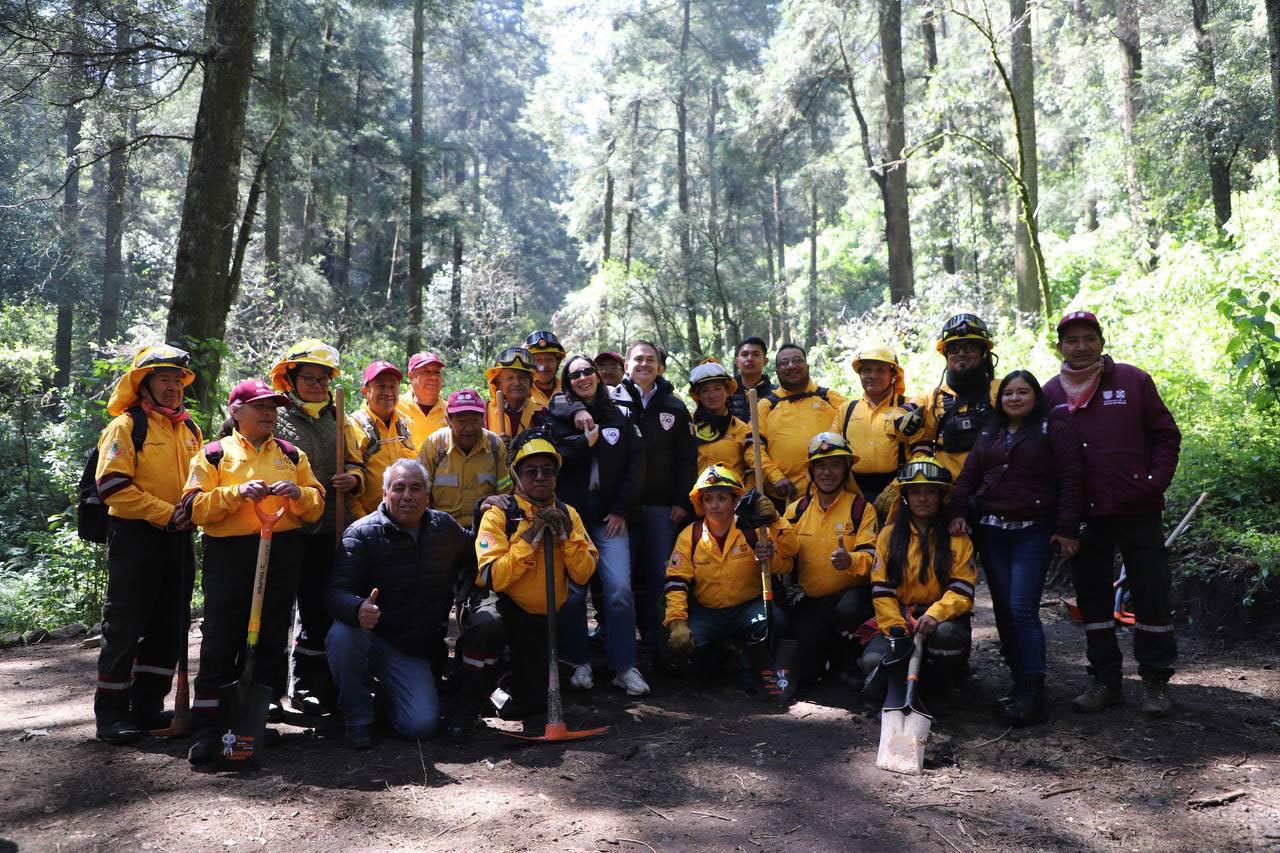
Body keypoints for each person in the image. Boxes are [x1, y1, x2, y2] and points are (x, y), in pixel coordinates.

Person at [1043, 310, 1182, 717]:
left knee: (1151, 592)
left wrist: (1154, 481)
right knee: (1093, 597)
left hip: (1138, 509)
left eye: (1089, 338)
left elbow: (1166, 434)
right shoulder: (1050, 393)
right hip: (1084, 516)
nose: (1081, 346)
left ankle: (1155, 681)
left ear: (1101, 342)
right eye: (1072, 340)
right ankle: (1105, 680)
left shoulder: (1133, 381)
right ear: (1061, 347)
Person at [184, 380, 325, 764]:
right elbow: (195, 508)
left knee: (271, 635)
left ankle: (254, 721)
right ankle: (206, 726)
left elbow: (316, 505)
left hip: (282, 551)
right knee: (221, 635)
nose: (269, 413)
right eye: (259, 406)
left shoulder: (292, 455)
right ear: (235, 412)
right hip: (230, 554)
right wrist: (236, 493)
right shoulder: (213, 454)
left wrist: (299, 495)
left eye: (273, 407)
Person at [950, 370, 1085, 726]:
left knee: (1023, 610)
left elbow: (1072, 477)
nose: (1014, 398)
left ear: (1035, 396)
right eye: (1008, 393)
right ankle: (1018, 683)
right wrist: (958, 512)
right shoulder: (990, 431)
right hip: (992, 533)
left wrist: (1067, 527)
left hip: (1032, 532)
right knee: (1004, 611)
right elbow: (968, 476)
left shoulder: (1052, 427)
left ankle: (1034, 692)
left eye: (1022, 392)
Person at [91, 345, 204, 744]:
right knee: (125, 624)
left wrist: (194, 509)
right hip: (136, 538)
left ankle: (148, 706)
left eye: (178, 381)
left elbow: (199, 481)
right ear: (145, 385)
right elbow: (112, 486)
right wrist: (165, 512)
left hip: (179, 538)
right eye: (164, 380)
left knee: (170, 623)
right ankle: (112, 714)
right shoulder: (126, 426)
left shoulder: (190, 428)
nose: (173, 388)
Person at [325, 459, 475, 748]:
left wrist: (489, 509)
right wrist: (357, 608)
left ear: (427, 496)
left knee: (420, 725)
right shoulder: (360, 534)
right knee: (342, 635)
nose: (408, 496)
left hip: (411, 649)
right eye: (399, 488)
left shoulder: (443, 527)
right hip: (368, 638)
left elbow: (477, 553)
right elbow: (335, 592)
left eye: (416, 488)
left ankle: (387, 700)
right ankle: (358, 719)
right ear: (384, 494)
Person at [466, 430, 599, 722]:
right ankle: (465, 704)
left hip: (543, 619)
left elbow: (584, 572)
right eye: (531, 471)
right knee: (488, 628)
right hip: (503, 606)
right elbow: (493, 576)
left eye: (548, 471)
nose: (540, 477)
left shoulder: (569, 513)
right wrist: (530, 535)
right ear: (516, 475)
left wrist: (565, 536)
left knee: (531, 704)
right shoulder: (500, 513)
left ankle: (509, 685)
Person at [544, 354, 649, 696]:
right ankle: (579, 662)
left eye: (588, 371)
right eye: (575, 374)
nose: (584, 377)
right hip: (572, 521)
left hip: (609, 520)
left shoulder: (618, 416)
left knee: (619, 590)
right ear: (567, 382)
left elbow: (636, 467)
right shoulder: (557, 416)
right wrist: (581, 437)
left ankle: (624, 667)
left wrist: (621, 510)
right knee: (573, 594)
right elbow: (555, 461)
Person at [269, 339, 363, 713]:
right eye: (309, 377)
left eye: (323, 379)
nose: (317, 385)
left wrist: (352, 480)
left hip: (329, 528)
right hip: (284, 528)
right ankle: (269, 691)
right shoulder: (274, 415)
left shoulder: (339, 417)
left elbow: (357, 464)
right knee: (275, 611)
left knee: (318, 608)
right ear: (290, 378)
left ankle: (310, 684)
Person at [663, 464, 797, 688]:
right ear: (701, 503)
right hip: (708, 613)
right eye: (708, 499)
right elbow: (676, 582)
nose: (714, 505)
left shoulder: (753, 530)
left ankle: (751, 664)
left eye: (722, 498)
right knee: (684, 649)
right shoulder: (690, 536)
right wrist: (677, 622)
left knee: (776, 623)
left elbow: (790, 555)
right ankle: (724, 657)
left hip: (748, 608)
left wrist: (774, 519)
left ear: (735, 501)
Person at [861, 455, 976, 709]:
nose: (922, 499)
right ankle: (896, 694)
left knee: (946, 638)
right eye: (915, 492)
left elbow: (963, 590)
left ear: (942, 495)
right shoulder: (889, 536)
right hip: (900, 615)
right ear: (905, 496)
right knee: (873, 660)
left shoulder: (957, 537)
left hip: (941, 618)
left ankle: (939, 691)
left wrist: (935, 615)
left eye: (930, 492)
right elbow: (881, 589)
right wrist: (896, 628)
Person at [611, 340, 698, 657]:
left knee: (661, 574)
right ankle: (619, 642)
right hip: (622, 507)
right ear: (626, 365)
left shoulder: (674, 406)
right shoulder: (611, 401)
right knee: (623, 575)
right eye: (638, 359)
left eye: (650, 360)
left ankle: (659, 642)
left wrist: (682, 501)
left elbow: (687, 459)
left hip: (663, 506)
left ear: (660, 366)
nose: (644, 365)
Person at [774, 433, 879, 687]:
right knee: (808, 673)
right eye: (820, 465)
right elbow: (785, 563)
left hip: (851, 598)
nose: (827, 472)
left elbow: (873, 559)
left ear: (847, 468)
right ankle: (825, 659)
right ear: (811, 470)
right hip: (810, 600)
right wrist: (769, 554)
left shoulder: (861, 509)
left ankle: (849, 663)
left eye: (835, 464)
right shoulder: (795, 511)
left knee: (850, 610)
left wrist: (850, 560)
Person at [900, 313, 1000, 481]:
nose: (961, 353)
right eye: (954, 349)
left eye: (970, 348)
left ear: (984, 352)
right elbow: (897, 414)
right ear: (946, 355)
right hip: (946, 491)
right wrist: (900, 420)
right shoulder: (930, 398)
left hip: (992, 488)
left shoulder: (1003, 390)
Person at [755, 344, 847, 502]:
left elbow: (854, 429)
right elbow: (753, 448)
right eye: (784, 363)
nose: (791, 366)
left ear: (807, 366)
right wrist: (776, 477)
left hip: (833, 493)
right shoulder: (765, 406)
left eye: (797, 360)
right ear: (776, 371)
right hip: (784, 497)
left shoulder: (830, 398)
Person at [830, 344, 912, 503]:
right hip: (854, 493)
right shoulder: (846, 410)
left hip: (899, 488)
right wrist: (851, 489)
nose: (872, 375)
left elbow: (919, 452)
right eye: (866, 370)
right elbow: (833, 453)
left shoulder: (908, 407)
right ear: (859, 373)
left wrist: (898, 486)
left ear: (893, 375)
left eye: (880, 370)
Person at [418, 389, 511, 529]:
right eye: (461, 422)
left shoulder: (495, 446)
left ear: (482, 419)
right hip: (442, 529)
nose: (469, 428)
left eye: (474, 421)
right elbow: (421, 495)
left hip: (485, 528)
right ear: (448, 420)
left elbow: (505, 494)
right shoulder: (434, 445)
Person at [689, 360, 776, 489]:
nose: (711, 395)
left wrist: (744, 498)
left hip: (733, 500)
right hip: (698, 499)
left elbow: (752, 467)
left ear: (728, 391)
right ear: (698, 396)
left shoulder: (741, 428)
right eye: (705, 391)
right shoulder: (689, 425)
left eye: (717, 389)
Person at [346, 361, 416, 519]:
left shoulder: (408, 424)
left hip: (407, 518)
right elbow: (350, 484)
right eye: (381, 386)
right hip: (370, 520)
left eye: (393, 386)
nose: (388, 392)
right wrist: (362, 522)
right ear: (365, 391)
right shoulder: (353, 426)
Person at [485, 347, 548, 439]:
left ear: (530, 383)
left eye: (522, 378)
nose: (517, 383)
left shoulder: (541, 412)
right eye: (510, 378)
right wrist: (494, 444)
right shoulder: (484, 412)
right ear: (499, 383)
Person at [396, 351, 448, 449]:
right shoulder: (395, 407)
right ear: (411, 376)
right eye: (426, 372)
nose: (433, 377)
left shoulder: (451, 411)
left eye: (437, 372)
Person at [727, 336, 774, 424]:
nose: (750, 359)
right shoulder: (725, 393)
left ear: (765, 361)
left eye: (756, 354)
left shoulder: (775, 394)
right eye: (744, 354)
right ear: (737, 361)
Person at [525, 330, 566, 408]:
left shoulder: (568, 391)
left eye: (549, 359)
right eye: (538, 360)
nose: (544, 365)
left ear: (558, 363)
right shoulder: (520, 394)